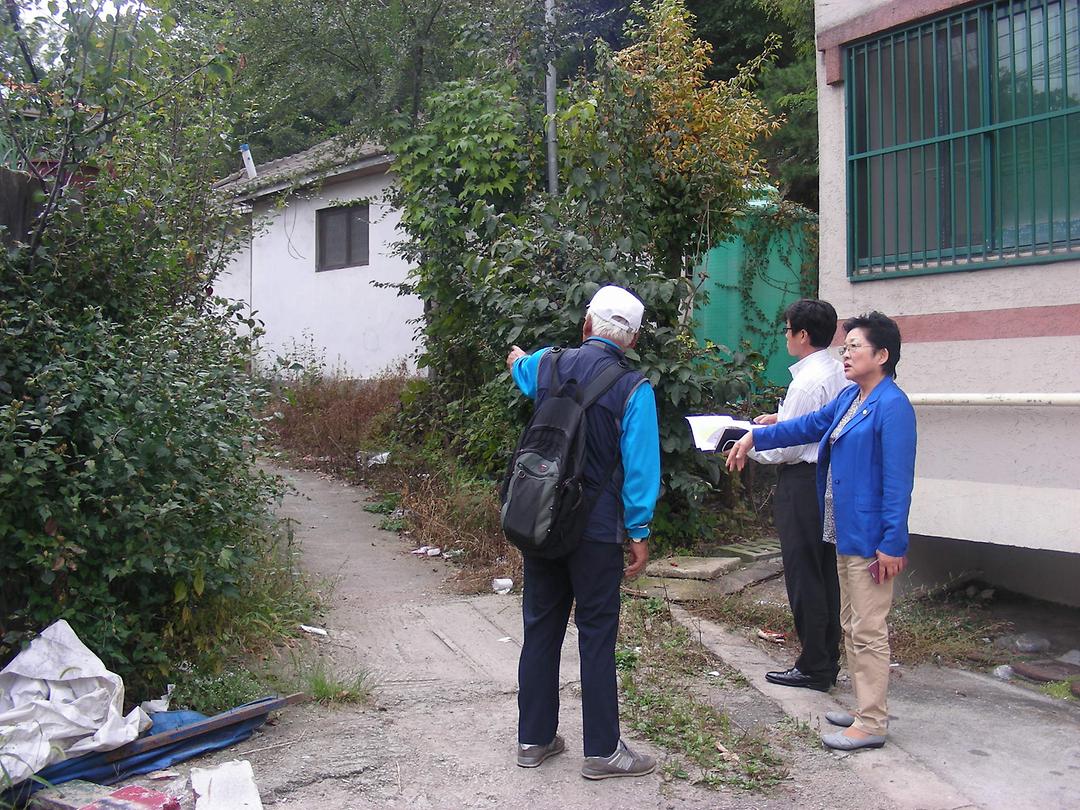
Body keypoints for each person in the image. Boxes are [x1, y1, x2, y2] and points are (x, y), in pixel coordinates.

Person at [726, 312, 916, 752]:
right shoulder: (853, 397)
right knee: (851, 624)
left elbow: (898, 482)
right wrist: (756, 435)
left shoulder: (892, 405)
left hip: (871, 539)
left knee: (868, 629)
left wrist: (892, 543)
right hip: (845, 530)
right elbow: (808, 425)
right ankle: (865, 707)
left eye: (855, 347)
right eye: (845, 346)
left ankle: (871, 724)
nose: (845, 353)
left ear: (882, 355)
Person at [505, 284, 661, 779]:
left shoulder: (547, 365)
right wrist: (639, 531)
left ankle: (533, 740)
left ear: (587, 325)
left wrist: (517, 359)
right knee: (596, 635)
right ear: (631, 341)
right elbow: (640, 469)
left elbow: (523, 372)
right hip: (596, 532)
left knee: (541, 629)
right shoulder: (634, 388)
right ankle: (602, 752)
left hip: (543, 521)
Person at [748, 299, 851, 693]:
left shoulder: (808, 380)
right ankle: (826, 658)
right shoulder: (835, 373)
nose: (785, 335)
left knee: (803, 572)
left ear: (802, 335)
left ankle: (814, 665)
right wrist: (780, 419)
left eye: (788, 328)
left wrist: (742, 443)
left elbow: (783, 449)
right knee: (824, 572)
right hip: (826, 478)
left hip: (803, 479)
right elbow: (813, 423)